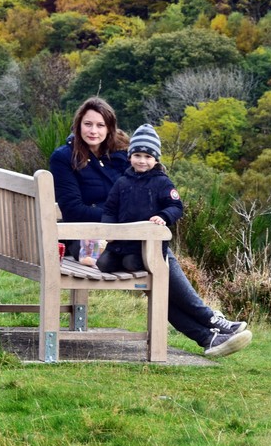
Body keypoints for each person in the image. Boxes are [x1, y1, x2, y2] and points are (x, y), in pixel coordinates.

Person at [99, 123, 252, 358]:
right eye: (137, 155)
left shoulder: (161, 182)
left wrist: (162, 217)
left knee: (177, 293)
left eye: (147, 156)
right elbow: (110, 209)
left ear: (156, 159)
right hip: (124, 248)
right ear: (130, 156)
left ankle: (214, 322)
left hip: (153, 251)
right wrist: (107, 231)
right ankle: (209, 334)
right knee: (157, 291)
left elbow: (175, 206)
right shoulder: (122, 183)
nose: (142, 161)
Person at [48, 97, 128, 261]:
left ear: (109, 128)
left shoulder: (121, 155)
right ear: (78, 125)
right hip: (84, 235)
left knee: (158, 254)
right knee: (139, 255)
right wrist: (117, 217)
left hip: (124, 231)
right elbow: (73, 210)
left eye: (100, 125)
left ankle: (187, 288)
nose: (93, 131)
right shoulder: (64, 157)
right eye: (88, 124)